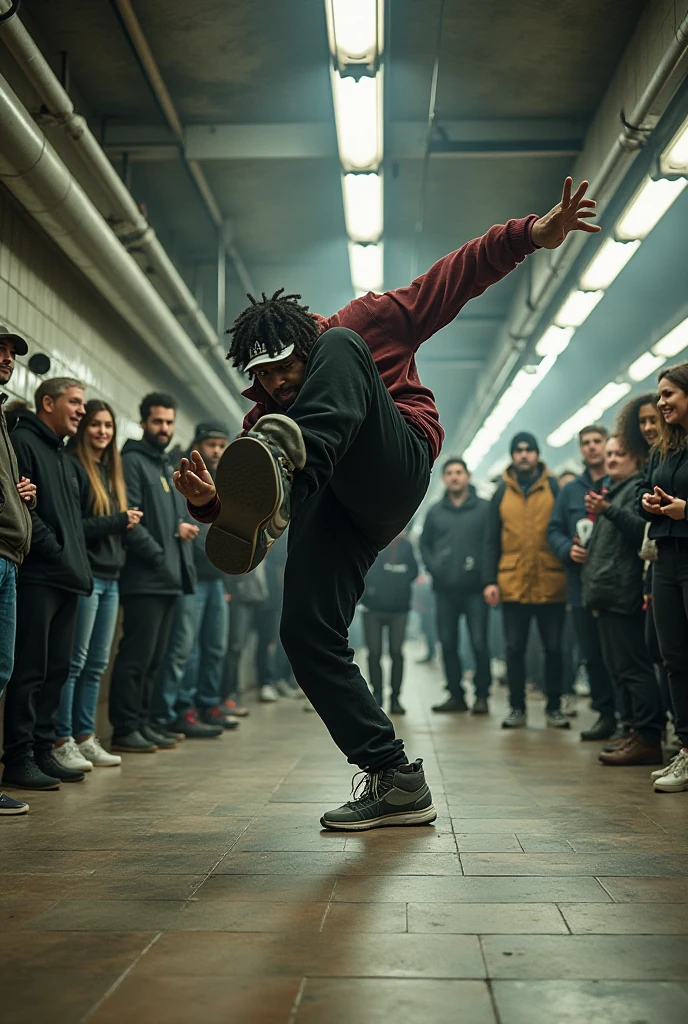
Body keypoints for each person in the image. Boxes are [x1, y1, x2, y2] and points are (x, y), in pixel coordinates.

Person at [174, 177, 599, 830]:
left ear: (301, 345)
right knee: (305, 633)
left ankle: (294, 472)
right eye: (264, 378)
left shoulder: (357, 326)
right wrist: (212, 506)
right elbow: (238, 506)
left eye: (286, 368)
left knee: (341, 352)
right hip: (333, 507)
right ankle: (394, 777)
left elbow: (451, 278)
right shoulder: (262, 420)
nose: (278, 384)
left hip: (392, 464)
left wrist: (529, 236)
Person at [3, 378, 92, 790]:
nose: (81, 410)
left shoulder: (62, 454)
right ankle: (18, 758)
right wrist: (56, 551)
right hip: (39, 577)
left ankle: (43, 751)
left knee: (56, 671)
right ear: (48, 402)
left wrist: (71, 560)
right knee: (30, 672)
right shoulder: (23, 441)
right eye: (74, 402)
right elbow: (23, 508)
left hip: (67, 578)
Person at [52, 401, 143, 773]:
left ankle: (86, 736)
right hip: (86, 576)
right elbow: (75, 527)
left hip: (112, 577)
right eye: (95, 424)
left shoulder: (110, 470)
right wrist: (119, 520)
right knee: (74, 663)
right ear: (83, 428)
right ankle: (62, 740)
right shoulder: (74, 465)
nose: (103, 431)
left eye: (108, 425)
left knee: (96, 664)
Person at [108, 393, 200, 753]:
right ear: (144, 421)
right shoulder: (132, 461)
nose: (164, 428)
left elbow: (169, 519)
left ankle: (143, 723)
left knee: (154, 660)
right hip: (145, 577)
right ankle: (125, 728)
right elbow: (131, 518)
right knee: (136, 657)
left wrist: (178, 530)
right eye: (158, 421)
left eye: (169, 422)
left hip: (168, 578)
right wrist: (160, 555)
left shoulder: (164, 464)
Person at [583, 435, 664, 765]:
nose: (612, 458)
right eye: (610, 453)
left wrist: (608, 510)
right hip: (607, 593)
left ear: (637, 459)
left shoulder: (634, 492)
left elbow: (641, 531)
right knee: (619, 669)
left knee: (634, 669)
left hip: (623, 592)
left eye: (621, 453)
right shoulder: (615, 490)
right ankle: (634, 731)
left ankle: (648, 737)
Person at [484, 432, 570, 730]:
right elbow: (491, 540)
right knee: (514, 649)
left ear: (537, 454)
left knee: (555, 648)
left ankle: (554, 707)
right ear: (512, 455)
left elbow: (565, 531)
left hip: (551, 580)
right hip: (513, 582)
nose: (523, 454)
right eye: (518, 450)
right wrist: (489, 580)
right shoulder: (500, 493)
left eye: (529, 449)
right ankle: (516, 707)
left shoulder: (554, 487)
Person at [155, 423, 234, 736]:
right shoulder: (185, 474)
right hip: (192, 575)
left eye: (221, 445)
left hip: (217, 578)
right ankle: (180, 709)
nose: (216, 450)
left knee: (215, 646)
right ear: (198, 444)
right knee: (185, 649)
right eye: (211, 444)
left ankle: (207, 704)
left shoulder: (225, 479)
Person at [547, 425, 616, 740]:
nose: (592, 447)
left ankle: (630, 719)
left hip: (617, 583)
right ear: (581, 449)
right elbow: (554, 529)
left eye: (597, 441)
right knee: (592, 655)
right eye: (586, 442)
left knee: (620, 654)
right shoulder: (571, 491)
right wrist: (566, 550)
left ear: (607, 444)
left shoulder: (620, 482)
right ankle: (605, 716)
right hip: (581, 586)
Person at [639, 364, 688, 793]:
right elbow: (648, 487)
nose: (661, 403)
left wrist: (686, 510)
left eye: (669, 394)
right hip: (666, 558)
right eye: (660, 395)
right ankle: (687, 748)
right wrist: (650, 501)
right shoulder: (665, 449)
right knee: (674, 658)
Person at [420, 457, 492, 715]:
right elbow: (424, 545)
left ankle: (482, 696)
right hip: (445, 590)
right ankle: (455, 695)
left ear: (467, 476)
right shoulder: (435, 512)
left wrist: (488, 577)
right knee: (448, 644)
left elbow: (492, 543)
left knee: (479, 642)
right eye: (449, 473)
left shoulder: (485, 509)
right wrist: (434, 567)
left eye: (459, 472)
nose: (454, 476)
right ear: (444, 479)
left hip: (476, 590)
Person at [0, 327, 35, 815]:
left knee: (2, 670)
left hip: (9, 554)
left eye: (10, 352)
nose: (7, 358)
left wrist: (19, 496)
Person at [362, 532, 418, 715]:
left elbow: (414, 572)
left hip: (399, 609)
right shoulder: (372, 540)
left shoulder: (406, 546)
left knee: (396, 652)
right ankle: (377, 695)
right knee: (374, 652)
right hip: (372, 607)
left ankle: (395, 698)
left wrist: (399, 585)